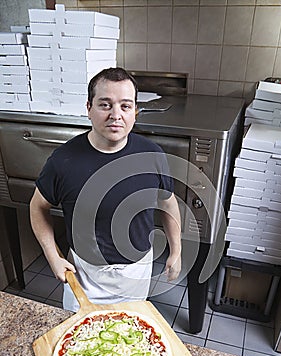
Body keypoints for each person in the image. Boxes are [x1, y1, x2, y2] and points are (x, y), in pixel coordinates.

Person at [30, 67, 181, 311]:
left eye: (125, 106)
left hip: (136, 273)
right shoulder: (63, 161)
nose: (116, 115)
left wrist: (177, 250)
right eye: (105, 105)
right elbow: (38, 206)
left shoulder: (153, 156)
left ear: (135, 112)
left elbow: (168, 203)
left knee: (127, 340)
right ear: (88, 108)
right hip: (83, 275)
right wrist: (53, 256)